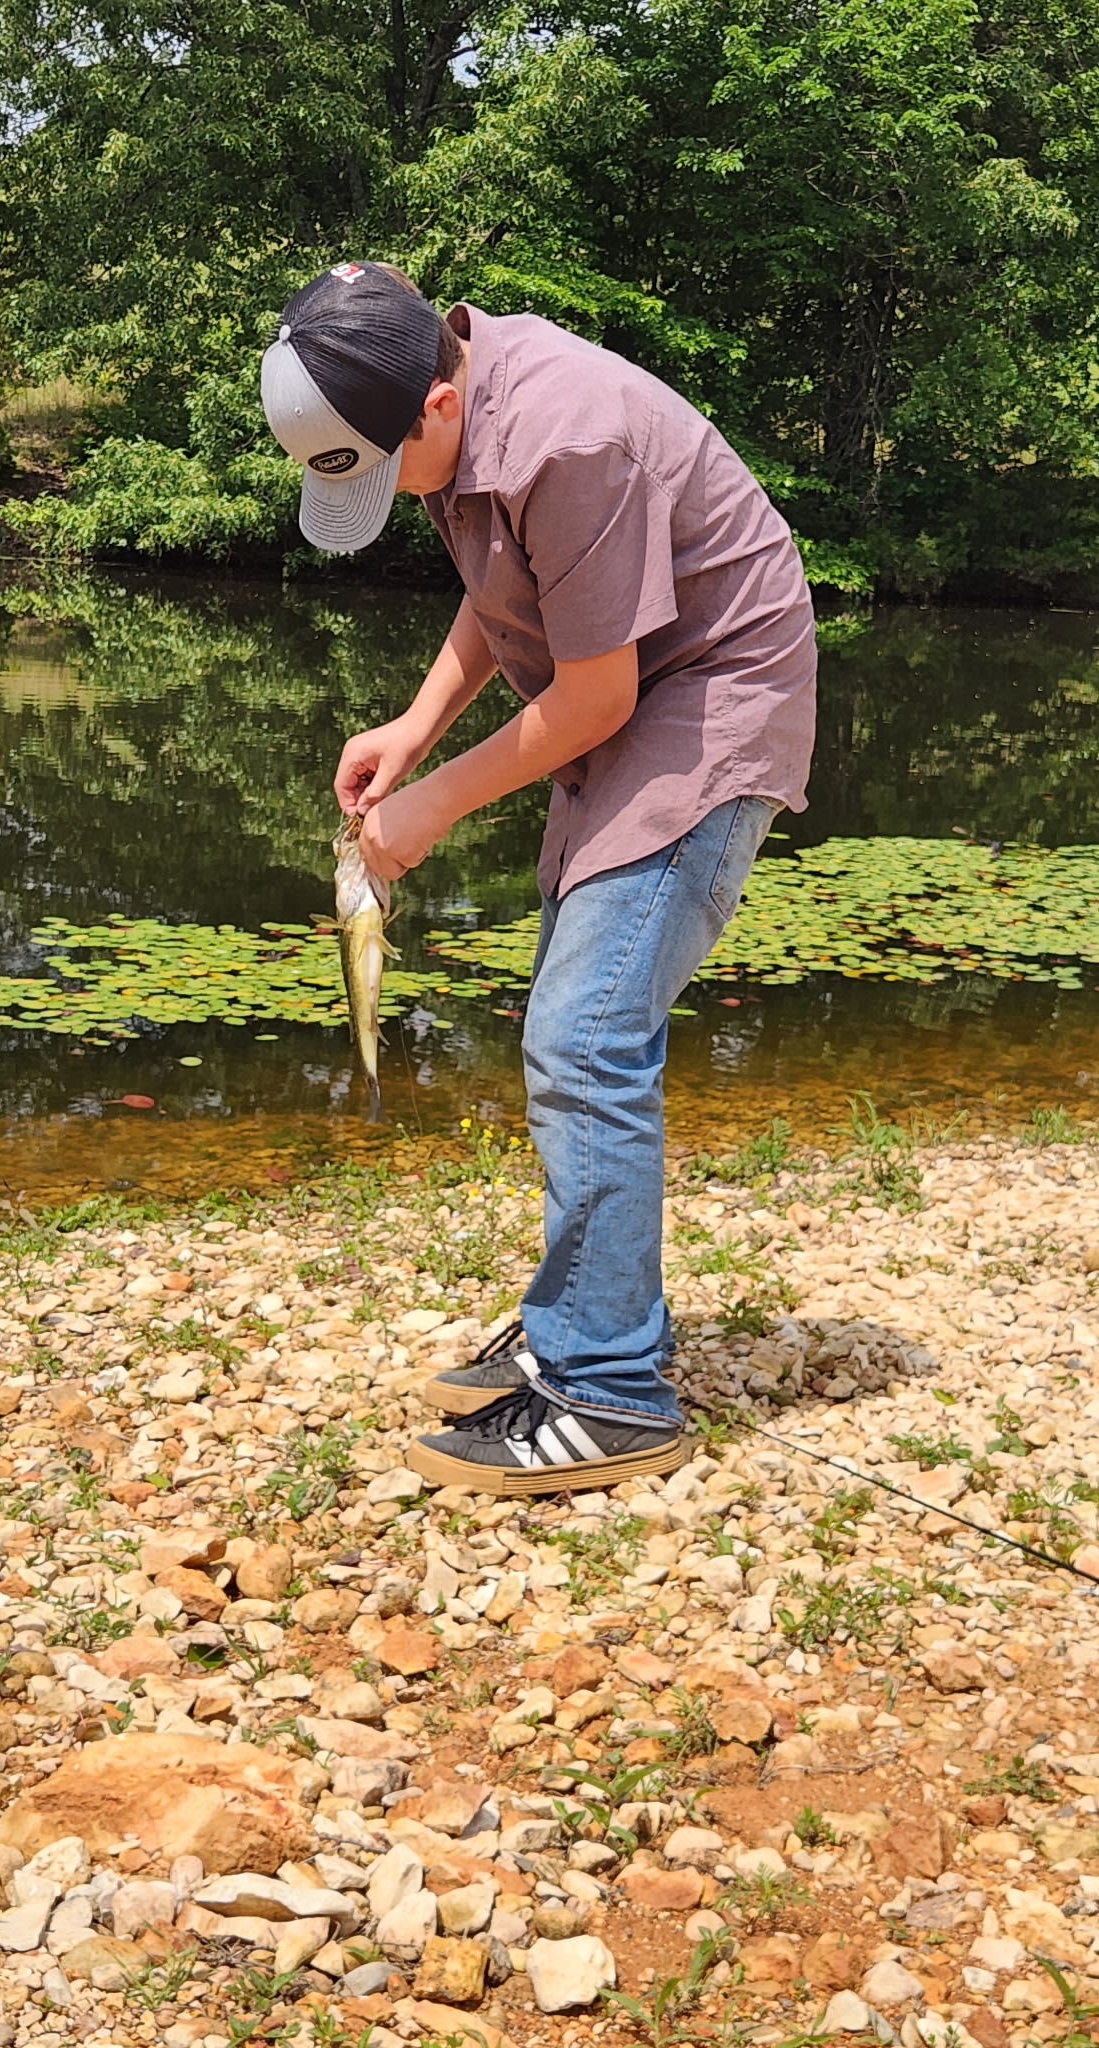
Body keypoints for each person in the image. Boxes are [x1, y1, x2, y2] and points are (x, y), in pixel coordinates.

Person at [260, 259, 816, 1497]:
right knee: (578, 1018)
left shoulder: (571, 436)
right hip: (630, 682)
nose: (390, 497)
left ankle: (610, 1388)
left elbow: (600, 691)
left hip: (713, 695)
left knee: (587, 1032)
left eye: (376, 468)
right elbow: (509, 591)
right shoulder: (441, 394)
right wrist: (414, 725)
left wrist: (427, 805)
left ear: (436, 409)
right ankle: (588, 1313)